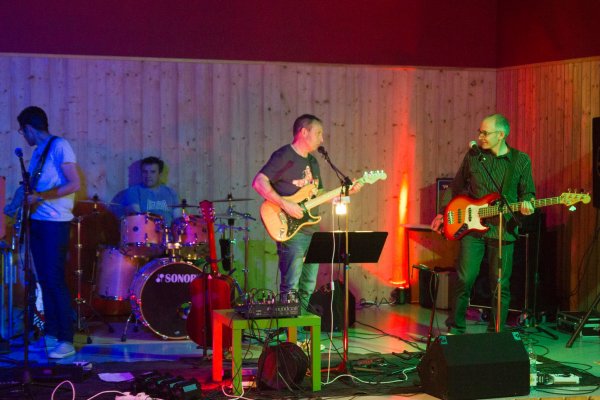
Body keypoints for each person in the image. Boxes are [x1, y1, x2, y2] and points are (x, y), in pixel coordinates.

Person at [431, 113, 535, 334]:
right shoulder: (474, 157)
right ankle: (455, 329)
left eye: (485, 133)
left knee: (500, 284)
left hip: (503, 229)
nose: (480, 137)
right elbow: (455, 187)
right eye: (480, 132)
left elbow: (528, 193)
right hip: (472, 229)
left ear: (501, 135)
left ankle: (495, 334)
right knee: (465, 278)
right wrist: (442, 213)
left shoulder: (521, 160)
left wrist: (528, 204)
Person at [252, 114, 362, 310]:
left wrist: (344, 192)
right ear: (304, 132)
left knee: (309, 285)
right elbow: (259, 182)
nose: (322, 139)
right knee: (291, 286)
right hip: (290, 229)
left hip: (312, 229)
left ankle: (301, 324)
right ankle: (289, 326)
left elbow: (318, 194)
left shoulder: (313, 162)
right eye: (318, 133)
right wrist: (285, 204)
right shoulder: (284, 156)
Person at [17, 106, 81, 358]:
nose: (23, 136)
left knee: (54, 280)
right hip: (39, 222)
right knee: (44, 280)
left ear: (29, 128)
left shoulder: (60, 146)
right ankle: (52, 334)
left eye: (22, 131)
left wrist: (40, 197)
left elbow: (74, 184)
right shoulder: (38, 152)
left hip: (56, 223)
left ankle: (66, 339)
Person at [120, 156, 180, 225]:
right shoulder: (133, 191)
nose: (148, 175)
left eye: (153, 172)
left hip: (168, 231)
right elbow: (136, 218)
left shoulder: (171, 193)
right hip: (145, 230)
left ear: (160, 174)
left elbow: (178, 219)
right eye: (145, 172)